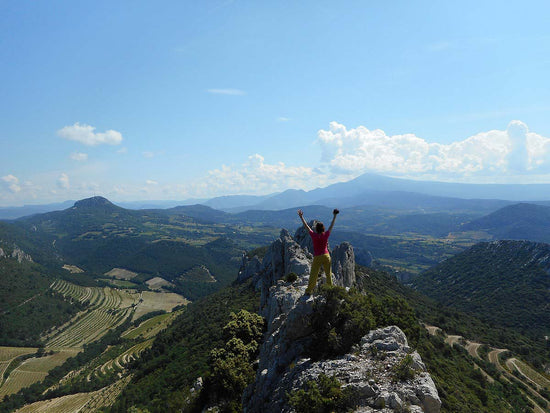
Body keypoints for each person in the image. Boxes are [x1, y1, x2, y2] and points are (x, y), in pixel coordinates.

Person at [298, 208, 339, 295]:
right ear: (323, 228)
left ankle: (309, 290)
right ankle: (330, 290)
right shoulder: (326, 235)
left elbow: (306, 226)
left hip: (317, 257)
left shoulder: (313, 235)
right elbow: (331, 226)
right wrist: (334, 216)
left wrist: (301, 217)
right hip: (326, 256)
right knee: (328, 274)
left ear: (316, 229)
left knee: (313, 275)